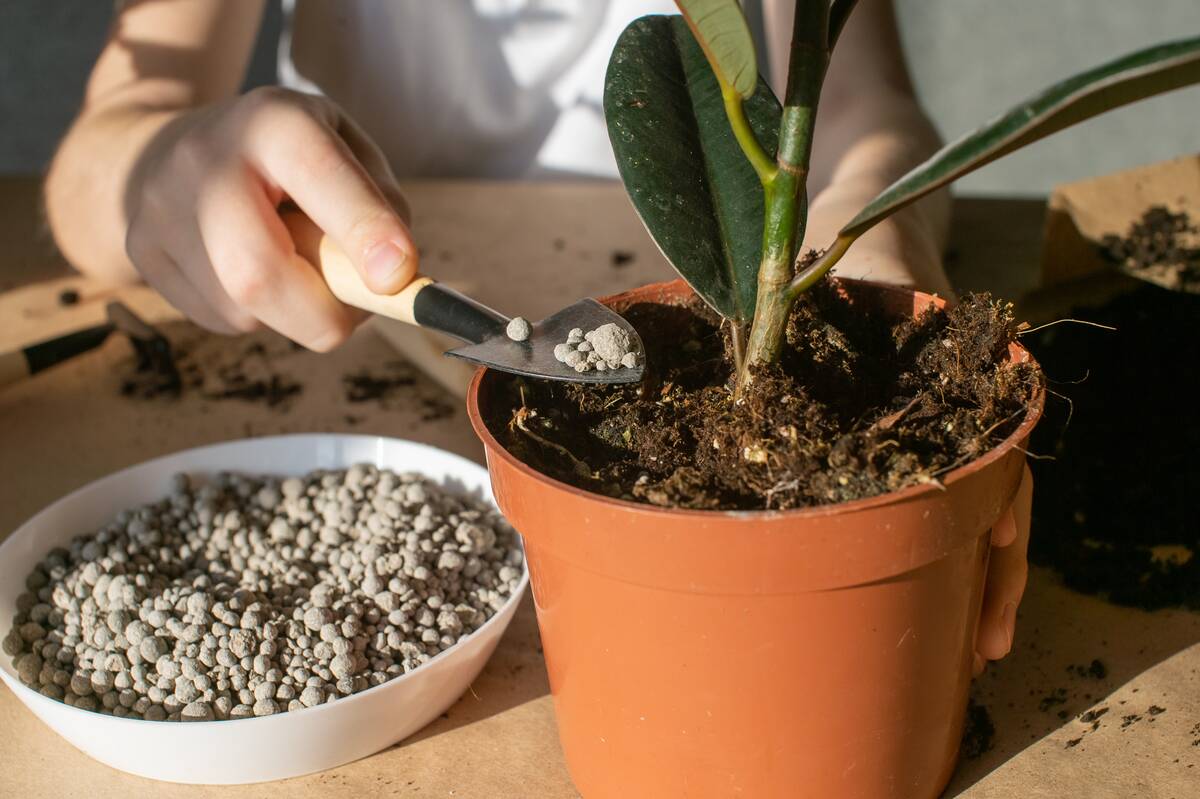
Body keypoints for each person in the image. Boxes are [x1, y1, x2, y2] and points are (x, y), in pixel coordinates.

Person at [43, 0, 1026, 674]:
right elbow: (103, 148)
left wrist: (879, 255)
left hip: (699, 280)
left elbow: (864, 111)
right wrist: (153, 161)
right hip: (401, 285)